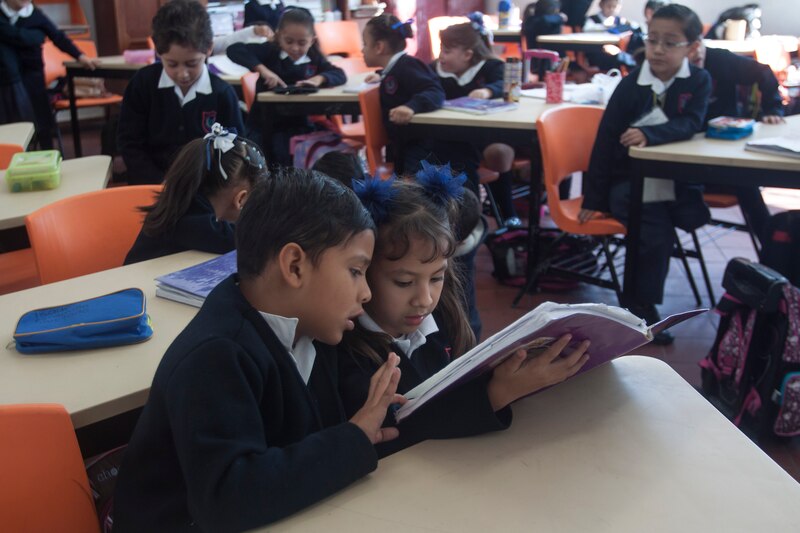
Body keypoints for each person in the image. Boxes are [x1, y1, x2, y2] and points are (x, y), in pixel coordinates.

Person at [113, 169, 405, 531]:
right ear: (294, 266)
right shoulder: (215, 357)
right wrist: (354, 439)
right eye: (356, 271)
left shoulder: (316, 328)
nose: (367, 293)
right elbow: (228, 499)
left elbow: (378, 415)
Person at [338, 169, 590, 457]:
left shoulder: (444, 316)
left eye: (436, 278)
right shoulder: (346, 350)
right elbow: (393, 438)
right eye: (404, 282)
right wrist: (497, 394)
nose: (424, 299)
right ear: (363, 272)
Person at [578, 4, 712, 345]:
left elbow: (692, 122)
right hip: (627, 182)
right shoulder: (631, 85)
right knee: (654, 227)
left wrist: (651, 134)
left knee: (686, 213)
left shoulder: (698, 80)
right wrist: (593, 198)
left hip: (672, 179)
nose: (658, 50)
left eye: (670, 43)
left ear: (692, 47)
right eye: (652, 40)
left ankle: (640, 298)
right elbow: (605, 142)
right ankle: (641, 308)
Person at [117, 0, 244, 185]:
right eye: (172, 64)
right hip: (152, 187)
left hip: (205, 189)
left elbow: (235, 150)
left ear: (208, 48)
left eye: (192, 63)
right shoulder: (142, 84)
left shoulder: (222, 94)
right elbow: (130, 143)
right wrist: (159, 182)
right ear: (159, 52)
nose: (182, 74)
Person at [125, 123, 268, 265]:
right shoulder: (192, 222)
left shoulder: (185, 204)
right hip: (133, 286)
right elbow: (247, 240)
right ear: (241, 199)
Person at [690, 38, 784, 242]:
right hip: (686, 156)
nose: (696, 56)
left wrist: (772, 108)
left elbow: (763, 72)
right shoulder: (669, 65)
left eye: (698, 49)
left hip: (724, 149)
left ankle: (771, 250)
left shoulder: (720, 60)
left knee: (745, 180)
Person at [433, 13, 522, 227]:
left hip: (489, 133)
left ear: (467, 54)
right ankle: (466, 217)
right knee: (456, 156)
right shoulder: (435, 70)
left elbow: (507, 82)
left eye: (447, 51)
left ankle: (506, 210)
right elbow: (415, 79)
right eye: (441, 50)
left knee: (499, 152)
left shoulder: (490, 67)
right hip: (453, 136)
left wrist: (488, 91)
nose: (441, 56)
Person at [227, 7, 346, 164]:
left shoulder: (313, 58)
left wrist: (318, 80)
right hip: (266, 126)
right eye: (288, 41)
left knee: (329, 149)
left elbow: (339, 74)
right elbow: (234, 50)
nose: (295, 48)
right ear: (278, 37)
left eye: (302, 43)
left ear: (312, 41)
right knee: (278, 155)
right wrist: (263, 70)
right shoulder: (271, 52)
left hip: (299, 125)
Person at [0, 0, 99, 148]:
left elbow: (58, 37)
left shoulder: (35, 14)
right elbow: (19, 36)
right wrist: (35, 36)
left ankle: (48, 154)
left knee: (41, 119)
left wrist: (80, 56)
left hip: (33, 76)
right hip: (6, 80)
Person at [361, 13, 445, 175]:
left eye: (365, 44)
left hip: (420, 147)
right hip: (401, 144)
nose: (362, 49)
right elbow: (399, 79)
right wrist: (381, 75)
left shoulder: (408, 65)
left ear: (379, 47)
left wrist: (411, 107)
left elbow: (434, 91)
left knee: (412, 192)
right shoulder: (395, 68)